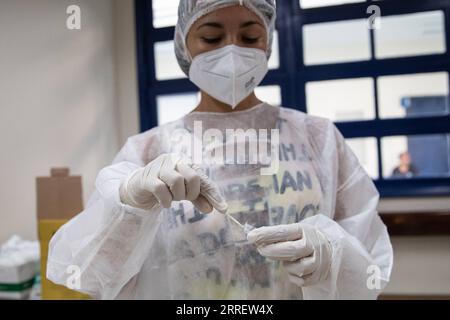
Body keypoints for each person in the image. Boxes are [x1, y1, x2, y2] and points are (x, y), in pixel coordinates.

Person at [47, 0, 393, 300]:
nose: (232, 51)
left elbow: (369, 264)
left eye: (249, 37)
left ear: (268, 42)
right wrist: (128, 206)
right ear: (185, 45)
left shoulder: (318, 139)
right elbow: (90, 275)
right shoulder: (147, 151)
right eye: (211, 38)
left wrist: (332, 255)